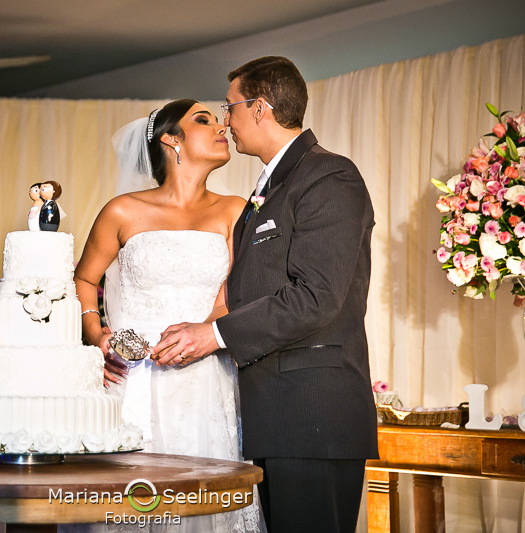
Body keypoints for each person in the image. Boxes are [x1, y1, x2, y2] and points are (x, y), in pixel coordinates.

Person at [152, 57, 379, 532]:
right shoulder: (271, 185)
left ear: (259, 108)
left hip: (312, 415)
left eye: (230, 107)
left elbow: (316, 296)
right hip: (272, 416)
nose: (226, 121)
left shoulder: (329, 176)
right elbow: (250, 287)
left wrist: (214, 335)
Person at [73, 99, 263, 532]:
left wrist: (204, 331)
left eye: (218, 119)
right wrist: (97, 335)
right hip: (134, 378)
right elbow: (84, 279)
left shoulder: (235, 210)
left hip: (206, 378)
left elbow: (235, 293)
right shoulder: (121, 211)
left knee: (205, 503)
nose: (221, 126)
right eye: (203, 120)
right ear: (171, 139)